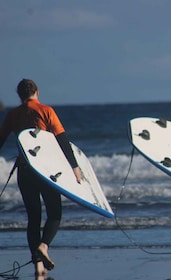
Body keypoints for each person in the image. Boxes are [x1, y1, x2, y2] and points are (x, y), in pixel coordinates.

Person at [0, 79, 82, 276]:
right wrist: (75, 168)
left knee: (33, 217)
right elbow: (63, 141)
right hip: (46, 171)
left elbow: (0, 141)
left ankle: (38, 265)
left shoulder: (13, 114)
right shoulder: (46, 111)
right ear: (37, 92)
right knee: (55, 213)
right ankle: (44, 246)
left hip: (25, 170)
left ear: (19, 95)